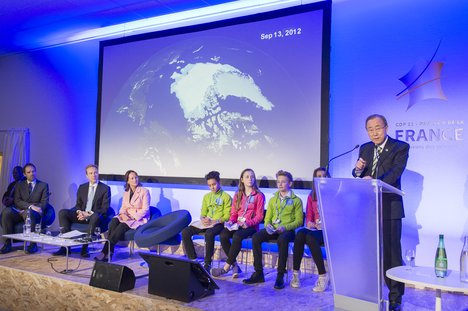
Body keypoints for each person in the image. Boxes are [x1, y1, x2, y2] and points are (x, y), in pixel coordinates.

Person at [352, 114, 409, 311]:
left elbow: (394, 174)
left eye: (378, 128)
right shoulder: (365, 148)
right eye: (370, 129)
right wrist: (358, 170)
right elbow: (358, 174)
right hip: (369, 208)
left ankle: (395, 298)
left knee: (392, 254)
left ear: (386, 127)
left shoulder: (400, 147)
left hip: (390, 207)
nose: (374, 132)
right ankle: (370, 292)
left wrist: (374, 182)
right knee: (369, 252)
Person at [243, 170, 303, 289]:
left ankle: (280, 275)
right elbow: (267, 218)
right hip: (273, 229)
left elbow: (299, 221)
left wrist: (284, 227)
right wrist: (268, 226)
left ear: (290, 184)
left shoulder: (296, 200)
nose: (280, 184)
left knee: (282, 240)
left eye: (283, 182)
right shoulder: (272, 199)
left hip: (287, 231)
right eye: (278, 182)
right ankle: (259, 273)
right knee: (256, 237)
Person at [211, 168, 265, 278]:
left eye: (252, 176)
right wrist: (231, 221)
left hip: (251, 226)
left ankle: (226, 268)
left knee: (237, 236)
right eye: (247, 177)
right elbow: (234, 213)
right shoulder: (238, 194)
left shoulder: (259, 195)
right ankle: (235, 265)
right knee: (223, 235)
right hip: (237, 224)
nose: (250, 179)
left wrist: (248, 223)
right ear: (242, 179)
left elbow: (260, 216)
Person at [53, 164, 111, 257]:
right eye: (91, 173)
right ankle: (65, 247)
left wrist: (88, 214)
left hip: (94, 217)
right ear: (87, 175)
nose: (94, 175)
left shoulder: (105, 188)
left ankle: (85, 248)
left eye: (95, 172)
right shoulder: (82, 187)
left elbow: (105, 208)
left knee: (95, 216)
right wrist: (79, 212)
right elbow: (78, 205)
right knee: (63, 212)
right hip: (82, 216)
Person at [181, 171, 232, 272]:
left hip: (218, 224)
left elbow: (227, 215)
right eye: (209, 185)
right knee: (185, 231)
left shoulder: (226, 197)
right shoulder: (206, 197)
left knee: (209, 234)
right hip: (206, 223)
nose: (212, 187)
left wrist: (216, 220)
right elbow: (203, 212)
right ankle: (193, 260)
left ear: (219, 182)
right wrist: (203, 218)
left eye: (214, 184)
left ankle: (208, 263)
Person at [95, 170, 150, 261]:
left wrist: (131, 215)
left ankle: (104, 252)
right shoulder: (126, 192)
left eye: (136, 177)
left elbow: (145, 210)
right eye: (132, 178)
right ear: (128, 181)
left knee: (122, 226)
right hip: (127, 216)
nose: (135, 179)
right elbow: (123, 207)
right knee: (114, 221)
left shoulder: (144, 191)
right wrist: (122, 214)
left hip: (138, 219)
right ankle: (110, 251)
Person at [291, 167, 329, 292]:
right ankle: (296, 273)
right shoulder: (311, 195)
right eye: (319, 176)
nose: (321, 178)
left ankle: (323, 276)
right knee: (301, 233)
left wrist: (325, 224)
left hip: (329, 230)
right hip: (316, 228)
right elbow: (309, 217)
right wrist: (311, 223)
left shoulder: (333, 193)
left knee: (310, 237)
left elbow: (338, 217)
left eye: (324, 175)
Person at [1, 163, 49, 254]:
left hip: (34, 212)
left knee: (29, 213)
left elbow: (44, 203)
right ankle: (7, 243)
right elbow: (17, 201)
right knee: (6, 212)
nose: (32, 173)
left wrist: (29, 209)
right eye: (29, 172)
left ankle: (32, 244)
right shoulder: (20, 185)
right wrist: (30, 206)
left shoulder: (43, 185)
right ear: (24, 174)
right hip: (20, 211)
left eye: (33, 171)